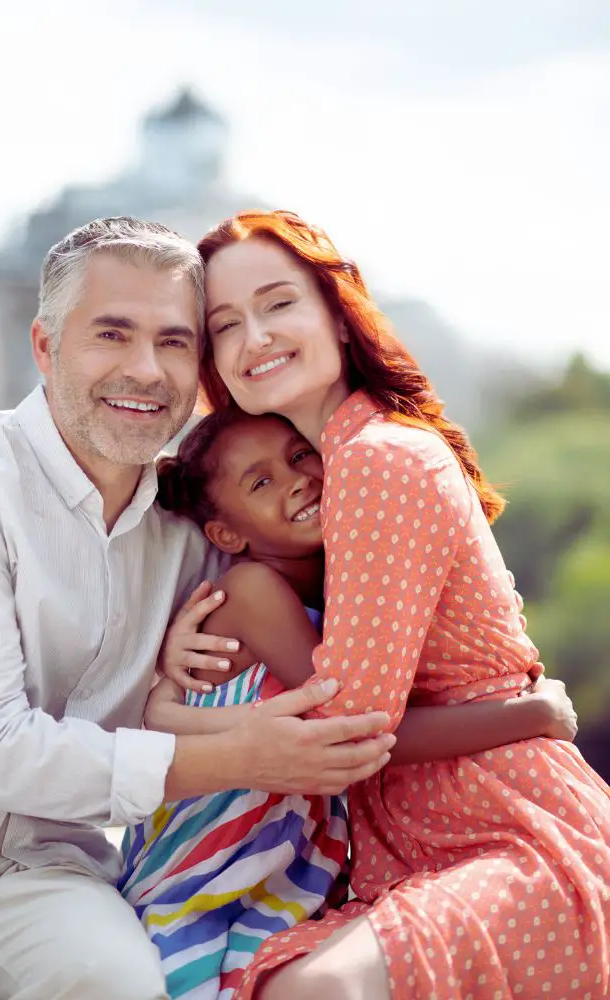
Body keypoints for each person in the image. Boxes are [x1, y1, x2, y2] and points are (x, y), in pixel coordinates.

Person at [0, 217, 396, 1000]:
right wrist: (235, 753)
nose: (145, 370)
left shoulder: (197, 533)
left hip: (41, 867)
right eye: (112, 335)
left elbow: (327, 595)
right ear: (46, 348)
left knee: (124, 985)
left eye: (175, 342)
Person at [187, 209, 610, 1000]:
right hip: (421, 836)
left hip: (506, 825)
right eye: (224, 325)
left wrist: (161, 723)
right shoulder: (333, 474)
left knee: (314, 990)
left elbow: (348, 734)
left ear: (337, 317)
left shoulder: (378, 459)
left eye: (278, 304)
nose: (255, 336)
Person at [120, 406, 578, 1000]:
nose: (296, 480)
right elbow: (353, 734)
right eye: (261, 482)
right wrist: (530, 716)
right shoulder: (253, 587)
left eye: (298, 455)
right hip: (212, 856)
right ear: (228, 534)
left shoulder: (343, 580)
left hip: (289, 857)